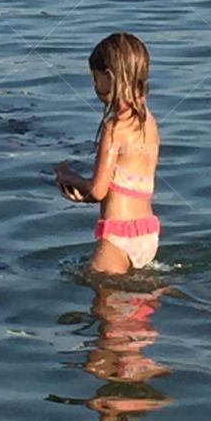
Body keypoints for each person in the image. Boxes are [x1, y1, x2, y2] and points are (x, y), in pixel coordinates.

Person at [56, 32, 160, 274]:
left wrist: (68, 177)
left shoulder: (114, 128)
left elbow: (99, 190)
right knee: (137, 307)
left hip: (117, 236)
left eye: (96, 78)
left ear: (110, 77)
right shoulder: (149, 121)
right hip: (147, 231)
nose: (95, 87)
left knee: (104, 308)